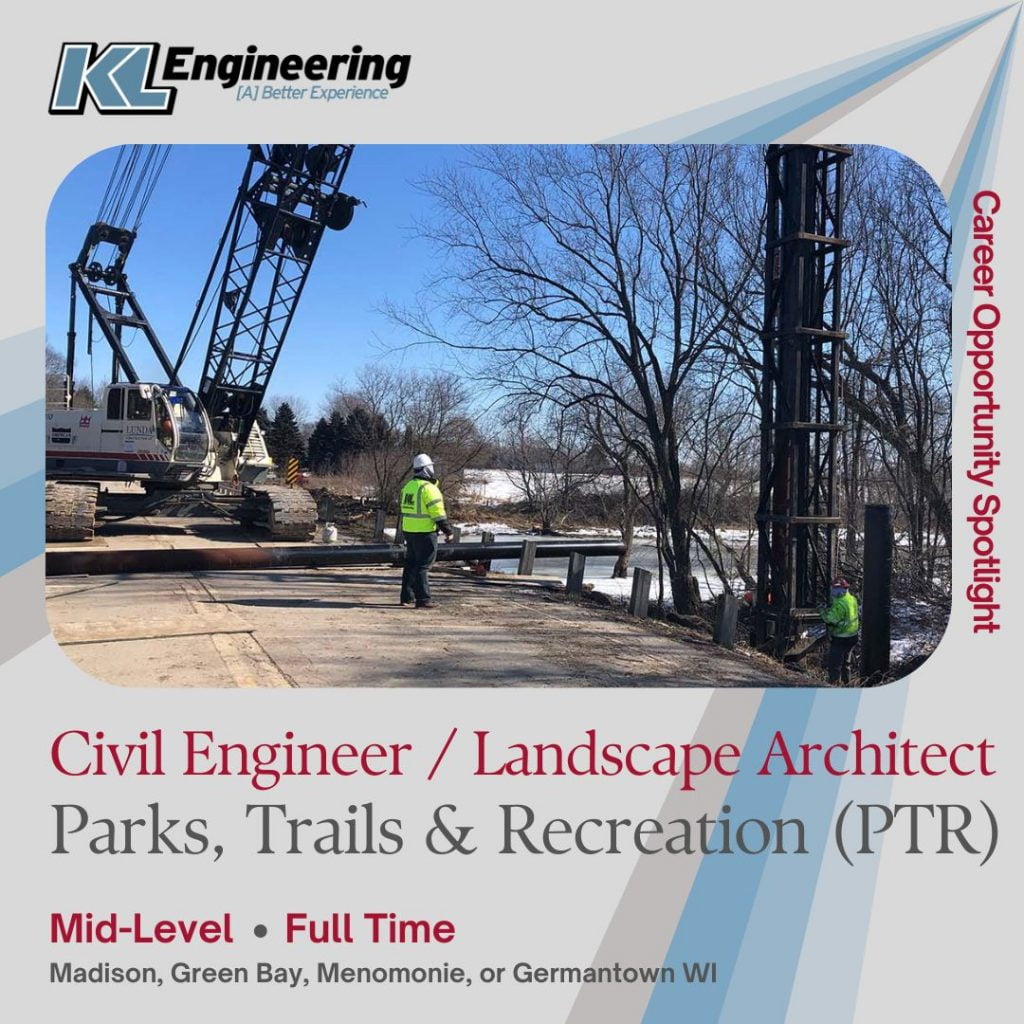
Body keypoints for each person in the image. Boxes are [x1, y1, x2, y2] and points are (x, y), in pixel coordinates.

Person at [398, 453, 454, 609]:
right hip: (425, 532)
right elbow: (438, 513)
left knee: (411, 564)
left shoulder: (408, 487)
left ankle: (406, 597)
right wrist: (448, 531)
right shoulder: (429, 489)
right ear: (426, 469)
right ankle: (423, 599)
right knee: (423, 565)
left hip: (409, 530)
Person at [820, 576, 860, 684]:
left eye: (834, 588)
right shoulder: (852, 599)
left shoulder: (839, 603)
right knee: (846, 663)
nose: (832, 590)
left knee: (835, 664)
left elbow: (830, 621)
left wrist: (822, 611)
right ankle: (847, 685)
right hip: (853, 636)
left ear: (839, 589)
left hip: (840, 638)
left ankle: (833, 685)